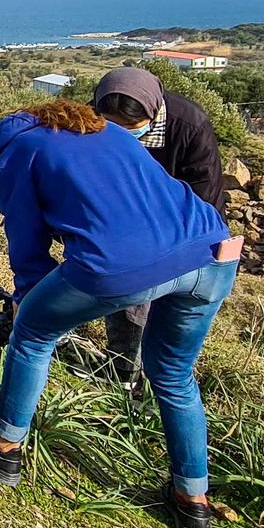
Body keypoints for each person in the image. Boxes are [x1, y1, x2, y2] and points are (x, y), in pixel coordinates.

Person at [0, 102, 239, 528]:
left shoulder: (13, 154)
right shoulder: (112, 133)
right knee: (174, 375)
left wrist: (26, 300)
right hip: (213, 250)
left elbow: (27, 244)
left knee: (33, 336)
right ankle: (192, 502)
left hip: (121, 265)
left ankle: (3, 448)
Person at [91, 66, 228, 389]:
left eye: (133, 128)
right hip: (125, 228)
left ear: (152, 113)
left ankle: (160, 386)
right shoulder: (92, 119)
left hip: (187, 232)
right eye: (114, 128)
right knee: (128, 307)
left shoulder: (188, 125)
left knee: (171, 322)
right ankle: (123, 380)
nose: (123, 136)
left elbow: (204, 195)